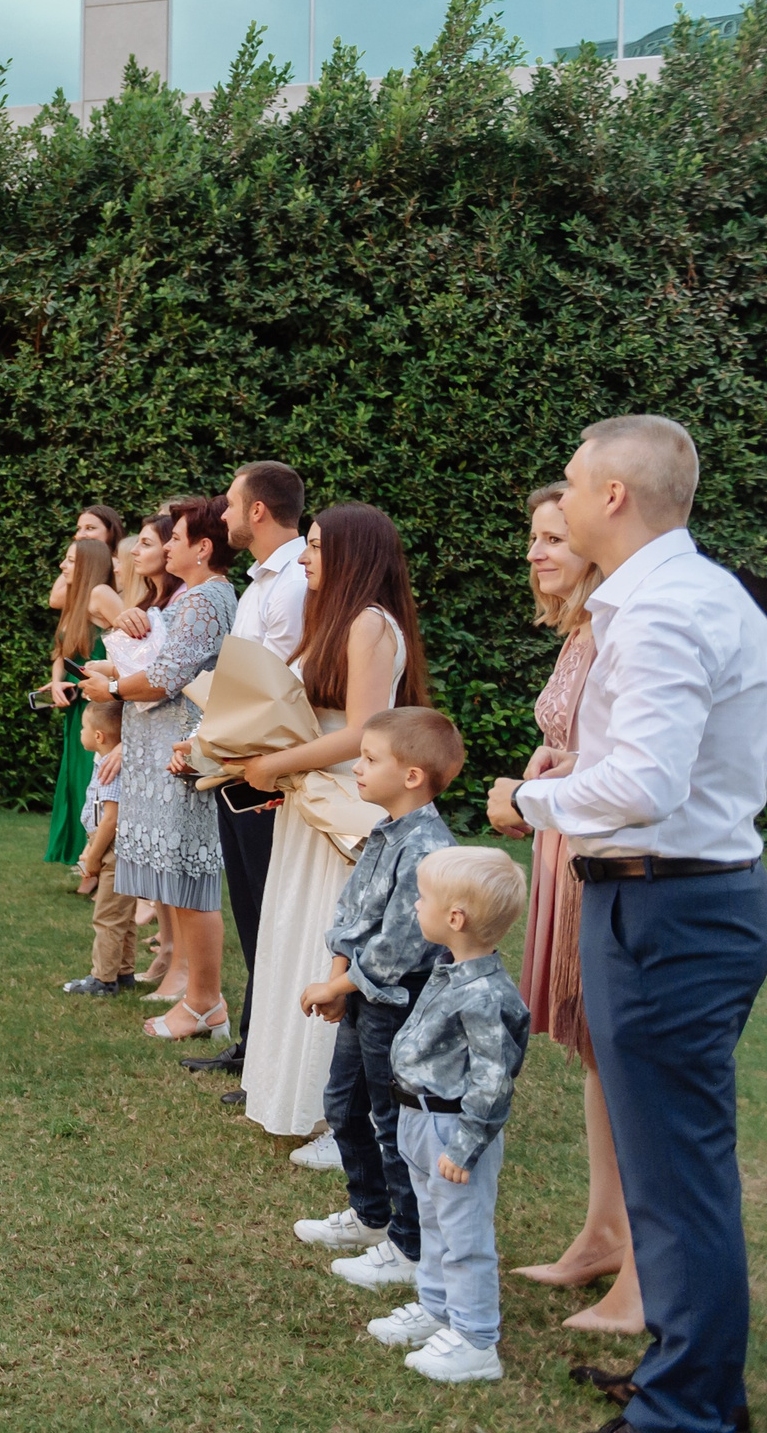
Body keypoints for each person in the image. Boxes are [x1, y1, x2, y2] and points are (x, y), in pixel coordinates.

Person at [492, 415, 767, 1433]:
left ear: (612, 497)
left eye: (568, 483)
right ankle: (684, 1372)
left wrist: (526, 804)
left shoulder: (660, 611)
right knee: (668, 1166)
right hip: (672, 895)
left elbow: (646, 783)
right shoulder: (683, 595)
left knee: (678, 1168)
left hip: (669, 902)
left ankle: (688, 1408)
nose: (554, 501)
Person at [228, 502, 425, 1150]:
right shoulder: (330, 623)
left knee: (330, 948)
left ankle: (343, 1122)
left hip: (346, 803)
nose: (306, 558)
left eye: (315, 546)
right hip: (309, 801)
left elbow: (366, 732)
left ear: (354, 554)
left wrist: (275, 763)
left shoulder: (369, 625)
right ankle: (302, 1100)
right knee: (295, 937)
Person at [502, 486, 637, 1333]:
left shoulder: (622, 627)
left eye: (555, 536)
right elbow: (576, 739)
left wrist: (543, 784)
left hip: (601, 850)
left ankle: (635, 1262)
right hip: (565, 836)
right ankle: (603, 1231)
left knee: (620, 1055)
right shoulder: (580, 632)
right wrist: (546, 759)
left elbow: (624, 758)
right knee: (598, 1056)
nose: (537, 552)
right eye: (534, 537)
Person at [292, 707, 459, 1291]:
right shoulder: (385, 830)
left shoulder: (427, 848)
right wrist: (339, 978)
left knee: (393, 1125)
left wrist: (337, 985)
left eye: (369, 759)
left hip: (396, 1004)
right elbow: (351, 912)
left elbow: (399, 948)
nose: (356, 768)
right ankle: (370, 1217)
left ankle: (409, 1248)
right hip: (360, 993)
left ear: (411, 775)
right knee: (342, 1105)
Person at [367, 845, 531, 1387]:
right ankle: (437, 1310)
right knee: (434, 1223)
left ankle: (476, 1339)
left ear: (455, 918)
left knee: (463, 1234)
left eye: (425, 897)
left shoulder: (484, 993)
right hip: (418, 1117)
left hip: (452, 1128)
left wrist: (466, 1144)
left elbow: (493, 1076)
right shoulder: (448, 970)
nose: (415, 904)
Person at [81, 497, 237, 1039]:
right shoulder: (188, 598)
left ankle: (203, 1001)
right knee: (174, 882)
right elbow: (149, 660)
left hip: (180, 757)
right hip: (158, 755)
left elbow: (167, 676)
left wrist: (114, 688)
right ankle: (193, 994)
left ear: (203, 548)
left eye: (176, 538)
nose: (167, 544)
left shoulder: (206, 600)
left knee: (191, 885)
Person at [190, 460, 310, 1093]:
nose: (226, 514)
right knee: (250, 910)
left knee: (271, 913)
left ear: (259, 511)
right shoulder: (260, 582)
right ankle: (254, 1045)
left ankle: (267, 1056)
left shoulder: (292, 582)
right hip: (237, 762)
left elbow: (287, 692)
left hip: (265, 770)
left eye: (232, 505)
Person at [88, 512, 183, 987]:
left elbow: (168, 680)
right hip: (143, 734)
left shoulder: (180, 604)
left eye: (145, 543)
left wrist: (115, 691)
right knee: (156, 861)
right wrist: (105, 668)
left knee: (171, 861)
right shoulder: (150, 602)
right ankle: (167, 953)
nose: (134, 552)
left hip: (166, 743)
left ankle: (177, 963)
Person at [43, 533, 117, 865]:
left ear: (88, 565)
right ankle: (80, 855)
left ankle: (96, 859)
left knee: (97, 782)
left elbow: (140, 646)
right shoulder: (75, 602)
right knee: (76, 783)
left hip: (103, 708)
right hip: (77, 708)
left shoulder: (101, 598)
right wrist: (59, 683)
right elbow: (62, 650)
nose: (62, 566)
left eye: (71, 560)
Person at [61, 700, 133, 995]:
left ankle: (103, 979)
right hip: (105, 844)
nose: (81, 733)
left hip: (111, 847)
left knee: (107, 915)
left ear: (99, 737)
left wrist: (92, 857)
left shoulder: (110, 769)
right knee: (121, 916)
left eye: (83, 729)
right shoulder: (101, 762)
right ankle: (123, 970)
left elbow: (111, 819)